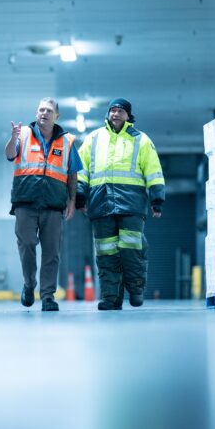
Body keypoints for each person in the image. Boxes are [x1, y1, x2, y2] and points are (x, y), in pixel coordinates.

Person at [76, 98, 165, 310]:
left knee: (132, 249)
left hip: (131, 203)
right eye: (112, 110)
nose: (115, 114)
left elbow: (153, 170)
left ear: (128, 116)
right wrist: (79, 195)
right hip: (101, 203)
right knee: (106, 254)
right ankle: (110, 298)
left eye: (120, 111)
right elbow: (81, 169)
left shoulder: (141, 140)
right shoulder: (93, 139)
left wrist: (157, 199)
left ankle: (135, 288)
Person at [5, 97, 82, 312]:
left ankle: (48, 296)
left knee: (51, 253)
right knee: (27, 244)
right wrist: (12, 139)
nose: (43, 113)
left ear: (56, 115)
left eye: (48, 110)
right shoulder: (23, 135)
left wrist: (72, 200)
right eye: (40, 110)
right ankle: (29, 284)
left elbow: (72, 173)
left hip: (53, 205)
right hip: (25, 202)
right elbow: (10, 155)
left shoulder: (67, 141)